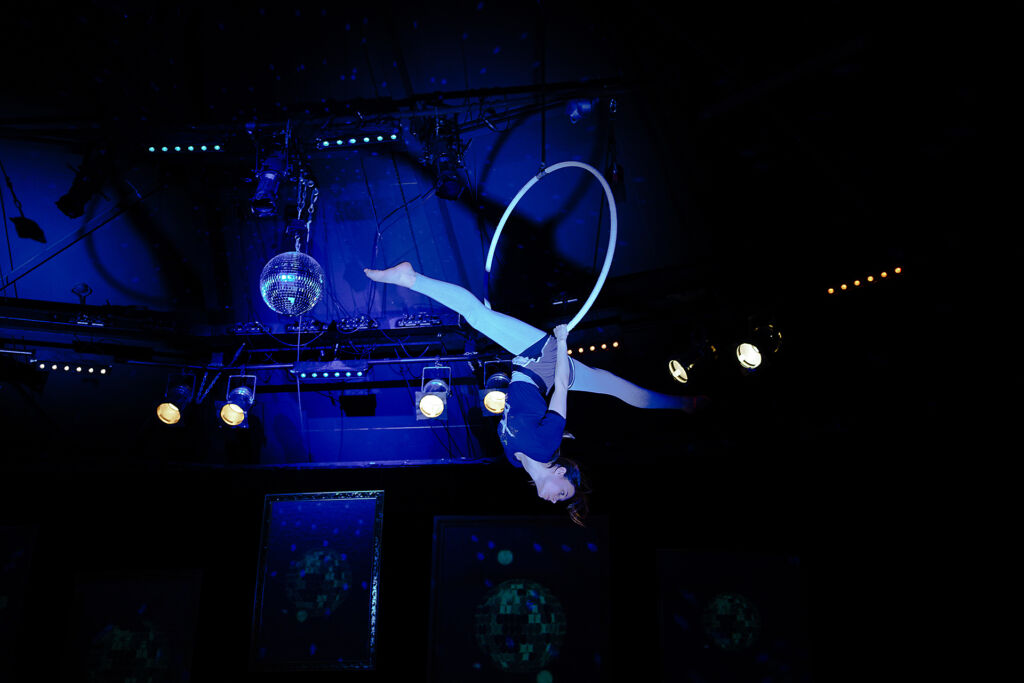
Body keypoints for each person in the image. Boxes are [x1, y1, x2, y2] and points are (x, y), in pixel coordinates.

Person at [364, 262, 700, 525]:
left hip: (530, 368)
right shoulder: (545, 446)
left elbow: (523, 410)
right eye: (563, 493)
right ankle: (410, 278)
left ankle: (683, 403)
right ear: (560, 473)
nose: (556, 499)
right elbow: (560, 390)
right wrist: (562, 342)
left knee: (610, 384)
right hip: (543, 361)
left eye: (560, 500)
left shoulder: (515, 460)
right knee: (478, 317)